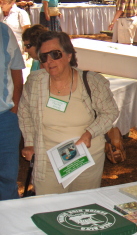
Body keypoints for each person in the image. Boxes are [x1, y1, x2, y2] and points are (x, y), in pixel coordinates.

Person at [19, 31, 119, 195]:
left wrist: (89, 133)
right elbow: (25, 113)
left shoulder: (92, 81)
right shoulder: (35, 82)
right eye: (44, 57)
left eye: (55, 54)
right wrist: (29, 143)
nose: (49, 61)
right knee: (48, 207)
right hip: (48, 159)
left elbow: (110, 112)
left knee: (82, 206)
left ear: (68, 55)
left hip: (86, 158)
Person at [0, 22, 25, 200]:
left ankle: (10, 224)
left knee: (7, 178)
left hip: (5, 120)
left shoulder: (4, 31)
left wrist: (13, 110)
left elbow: (17, 76)